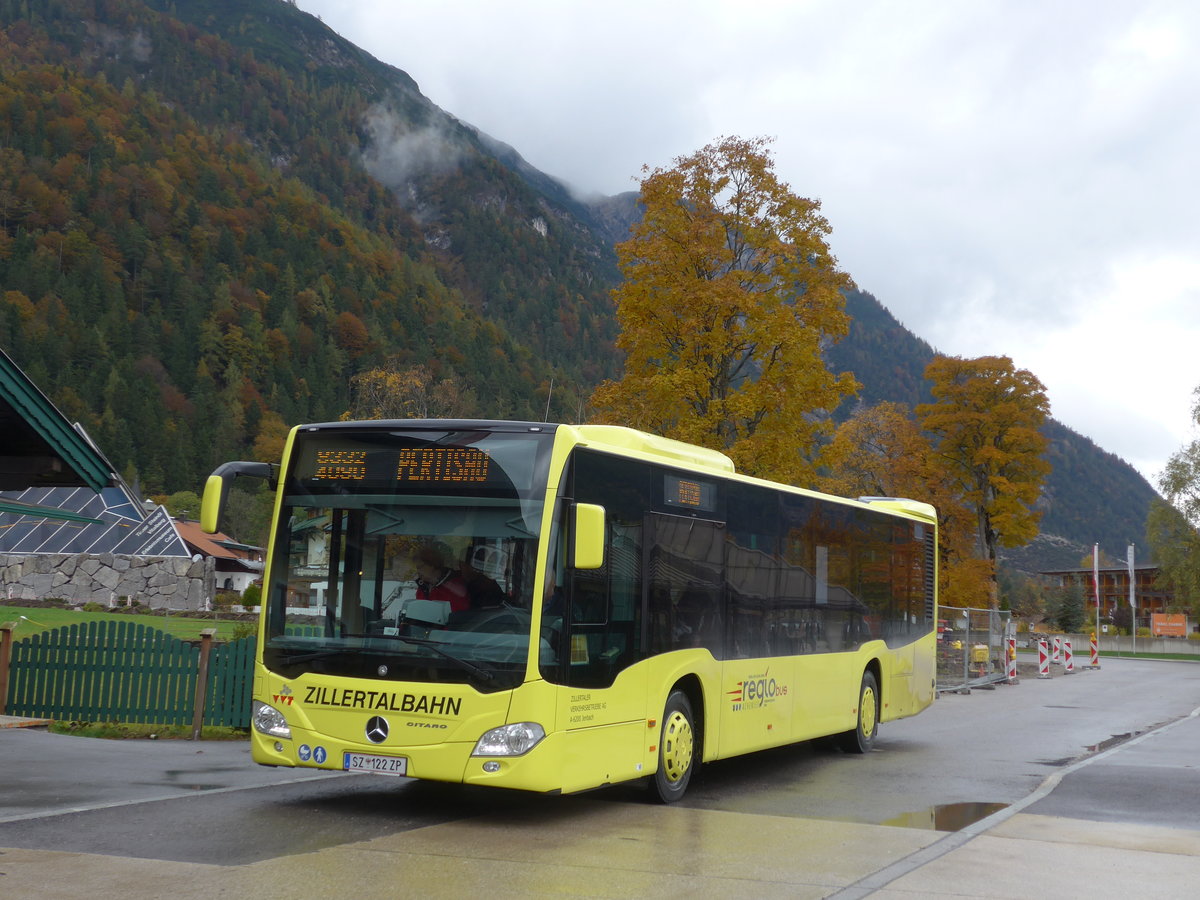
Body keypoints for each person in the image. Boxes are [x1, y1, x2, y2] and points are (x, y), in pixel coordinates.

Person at [412, 543, 469, 613]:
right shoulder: (423, 587)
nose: (418, 571)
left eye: (420, 567)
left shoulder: (455, 586)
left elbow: (458, 616)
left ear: (432, 564)